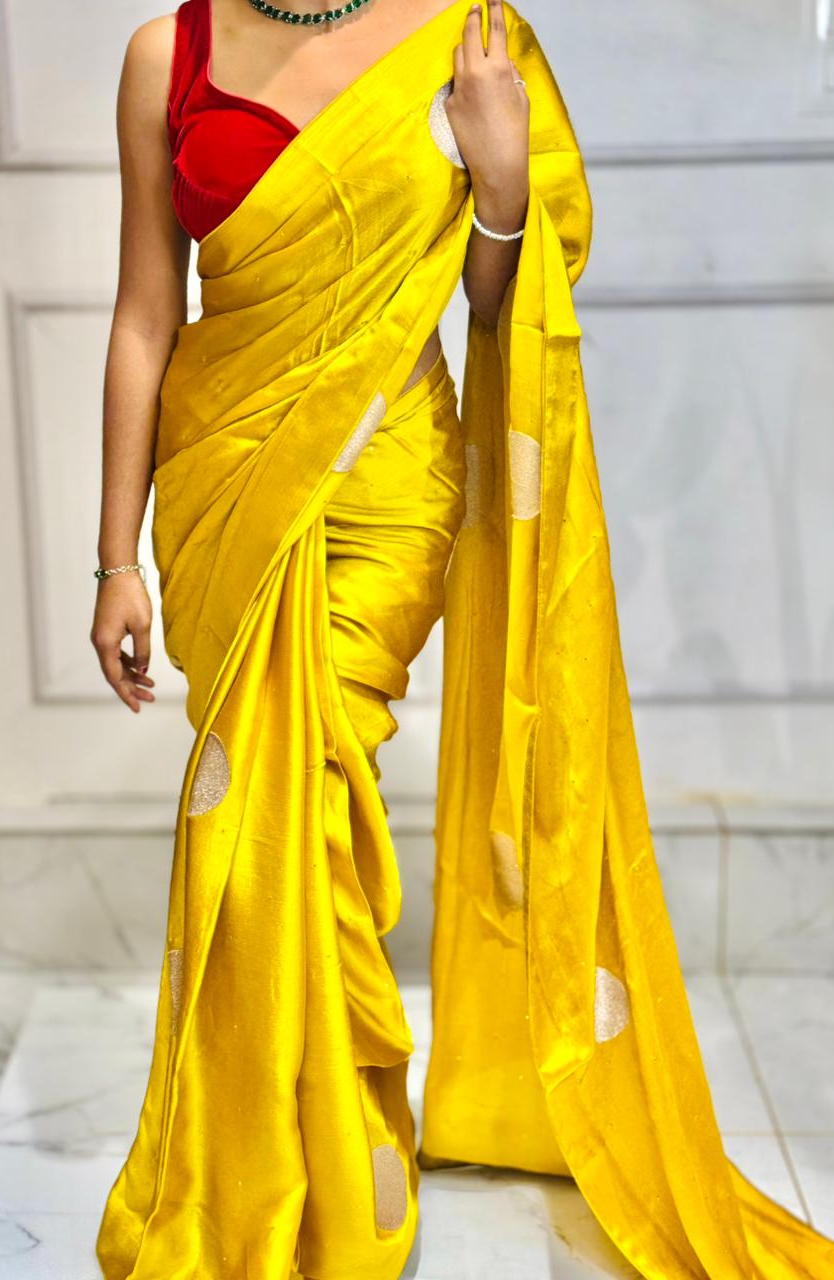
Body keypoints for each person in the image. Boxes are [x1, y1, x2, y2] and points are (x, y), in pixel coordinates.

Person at [90, 1, 834, 1277]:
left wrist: (498, 176)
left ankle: (330, 1174)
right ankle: (302, 1147)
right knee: (271, 819)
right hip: (224, 481)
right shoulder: (168, 55)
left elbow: (503, 298)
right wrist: (115, 556)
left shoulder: (470, 38)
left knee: (290, 808)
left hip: (387, 484)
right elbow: (144, 314)